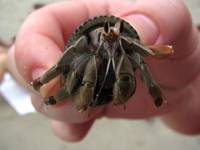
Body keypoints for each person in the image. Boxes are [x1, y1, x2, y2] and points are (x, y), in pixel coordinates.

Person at [6, 0, 200, 142]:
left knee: (141, 62)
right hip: (86, 56)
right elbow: (63, 62)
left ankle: (7, 58)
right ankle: (11, 61)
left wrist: (173, 93)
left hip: (124, 55)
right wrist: (46, 81)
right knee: (77, 75)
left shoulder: (125, 43)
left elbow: (142, 57)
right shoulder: (84, 43)